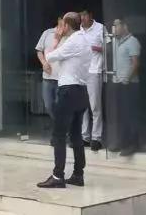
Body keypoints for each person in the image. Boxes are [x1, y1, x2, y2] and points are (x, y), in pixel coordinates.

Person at [37, 13, 91, 189]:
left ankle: (58, 176)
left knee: (59, 135)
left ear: (67, 26)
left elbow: (50, 56)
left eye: (62, 25)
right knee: (76, 135)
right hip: (81, 91)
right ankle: (78, 174)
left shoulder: (73, 41)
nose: (60, 28)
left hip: (68, 91)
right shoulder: (84, 39)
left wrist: (56, 39)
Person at [112, 18, 141, 156]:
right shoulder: (117, 42)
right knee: (121, 115)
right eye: (114, 26)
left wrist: (127, 79)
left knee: (130, 115)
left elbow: (135, 63)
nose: (115, 28)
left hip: (129, 84)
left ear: (125, 26)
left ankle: (132, 144)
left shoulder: (132, 41)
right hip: (118, 83)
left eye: (117, 25)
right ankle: (122, 142)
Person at [79, 10, 105, 152]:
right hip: (80, 72)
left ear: (90, 16)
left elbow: (109, 48)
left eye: (84, 15)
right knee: (82, 106)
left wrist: (95, 48)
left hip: (95, 70)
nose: (82, 18)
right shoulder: (78, 30)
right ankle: (84, 137)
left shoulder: (100, 28)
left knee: (95, 106)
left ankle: (96, 138)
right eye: (80, 15)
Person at [35, 16, 63, 119]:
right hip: (48, 77)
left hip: (62, 78)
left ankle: (61, 126)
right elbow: (39, 50)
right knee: (48, 105)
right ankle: (59, 124)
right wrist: (44, 63)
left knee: (61, 106)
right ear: (58, 20)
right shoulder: (47, 33)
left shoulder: (70, 36)